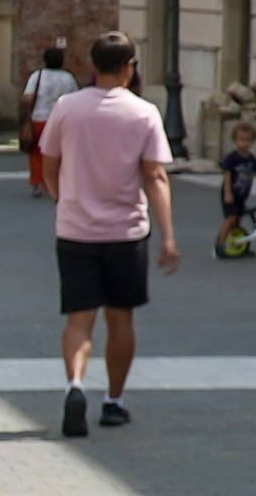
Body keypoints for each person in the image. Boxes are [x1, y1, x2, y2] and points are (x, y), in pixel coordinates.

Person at [37, 31, 177, 436]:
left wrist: (62, 199)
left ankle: (75, 385)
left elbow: (49, 165)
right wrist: (168, 236)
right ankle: (114, 401)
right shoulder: (144, 113)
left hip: (76, 230)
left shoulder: (67, 108)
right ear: (129, 68)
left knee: (78, 320)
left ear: (92, 66)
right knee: (121, 319)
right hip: (126, 233)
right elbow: (155, 176)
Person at [23, 43, 77, 195]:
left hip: (39, 118)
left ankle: (37, 181)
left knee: (36, 151)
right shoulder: (68, 78)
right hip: (60, 119)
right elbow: (74, 98)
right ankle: (55, 181)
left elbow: (27, 98)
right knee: (58, 152)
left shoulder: (37, 76)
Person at [218, 119, 256, 253]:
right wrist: (228, 193)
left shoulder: (251, 159)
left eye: (247, 140)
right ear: (234, 140)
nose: (244, 143)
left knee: (237, 220)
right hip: (230, 193)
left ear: (253, 141)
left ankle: (239, 245)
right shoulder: (232, 158)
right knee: (230, 218)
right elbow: (227, 176)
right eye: (241, 139)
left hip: (241, 196)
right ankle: (220, 245)